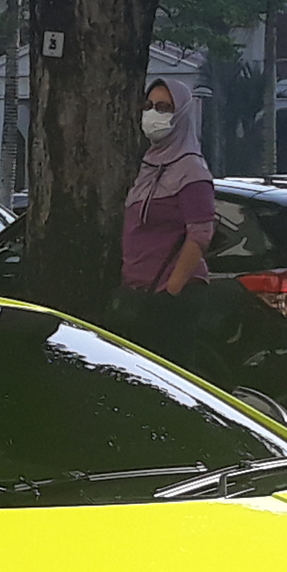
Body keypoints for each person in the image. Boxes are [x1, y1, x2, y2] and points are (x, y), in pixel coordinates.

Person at [115, 76, 215, 365]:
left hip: (169, 299)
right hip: (139, 292)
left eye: (164, 107)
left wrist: (171, 291)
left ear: (181, 115)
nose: (153, 114)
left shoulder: (191, 169)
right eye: (149, 106)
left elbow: (201, 234)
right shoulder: (149, 164)